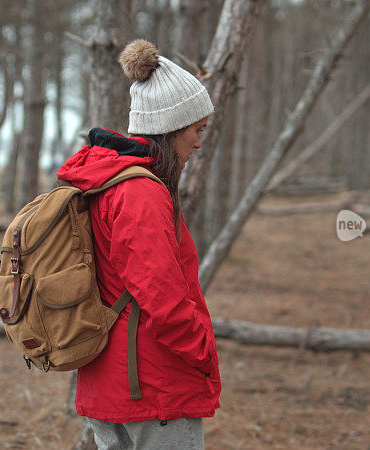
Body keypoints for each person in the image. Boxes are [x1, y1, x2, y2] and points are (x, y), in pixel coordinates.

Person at [56, 39, 221, 449]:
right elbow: (160, 294)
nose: (198, 143)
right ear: (172, 128)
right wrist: (202, 352)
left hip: (114, 378)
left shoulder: (108, 181)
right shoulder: (139, 192)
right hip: (150, 386)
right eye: (196, 131)